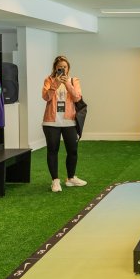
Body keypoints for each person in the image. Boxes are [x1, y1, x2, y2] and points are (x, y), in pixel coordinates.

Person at [42, 55, 87, 193]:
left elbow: (77, 97)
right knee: (52, 150)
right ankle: (55, 181)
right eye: (60, 67)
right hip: (51, 122)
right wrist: (55, 83)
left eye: (65, 67)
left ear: (68, 68)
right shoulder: (49, 80)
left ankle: (71, 178)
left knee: (72, 151)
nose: (62, 69)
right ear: (55, 68)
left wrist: (67, 83)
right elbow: (46, 97)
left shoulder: (74, 80)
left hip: (70, 121)